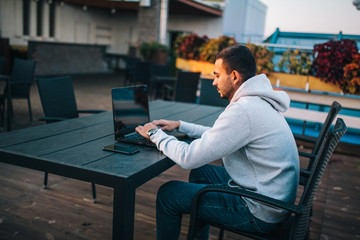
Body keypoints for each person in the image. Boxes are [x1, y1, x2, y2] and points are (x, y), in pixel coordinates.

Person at [135, 44, 299, 240]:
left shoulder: (244, 110)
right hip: (273, 198)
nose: (213, 82)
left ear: (235, 76)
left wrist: (154, 133)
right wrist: (181, 125)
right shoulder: (257, 103)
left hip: (260, 210)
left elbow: (189, 158)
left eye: (217, 75)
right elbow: (220, 135)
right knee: (201, 173)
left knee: (169, 194)